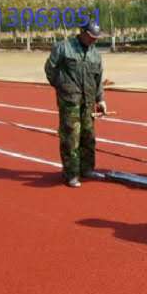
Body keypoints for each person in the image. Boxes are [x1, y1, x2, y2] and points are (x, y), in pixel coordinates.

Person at [44, 22, 107, 188]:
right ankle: (71, 174)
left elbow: (98, 79)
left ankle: (87, 169)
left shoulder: (95, 54)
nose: (94, 40)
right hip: (70, 101)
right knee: (71, 137)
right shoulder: (64, 48)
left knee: (88, 137)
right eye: (92, 37)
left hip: (88, 102)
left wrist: (100, 99)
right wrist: (63, 87)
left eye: (96, 38)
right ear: (83, 33)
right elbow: (50, 69)